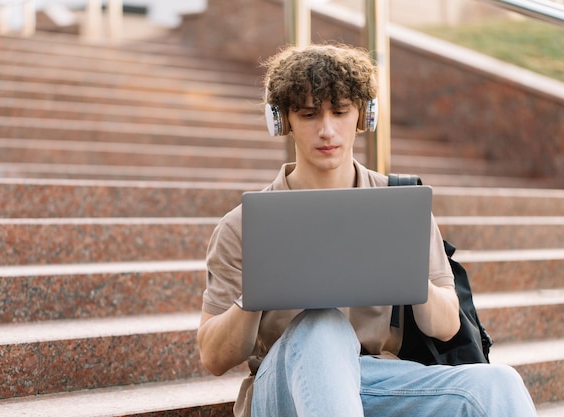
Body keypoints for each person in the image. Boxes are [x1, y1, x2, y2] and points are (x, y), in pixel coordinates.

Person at [197, 43, 537, 417]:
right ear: (282, 121)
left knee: (498, 384)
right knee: (322, 326)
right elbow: (214, 357)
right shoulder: (243, 224)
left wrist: (405, 274)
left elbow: (446, 326)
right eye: (309, 115)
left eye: (340, 112)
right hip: (284, 387)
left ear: (364, 116)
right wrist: (256, 294)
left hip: (377, 379)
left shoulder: (400, 204)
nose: (327, 130)